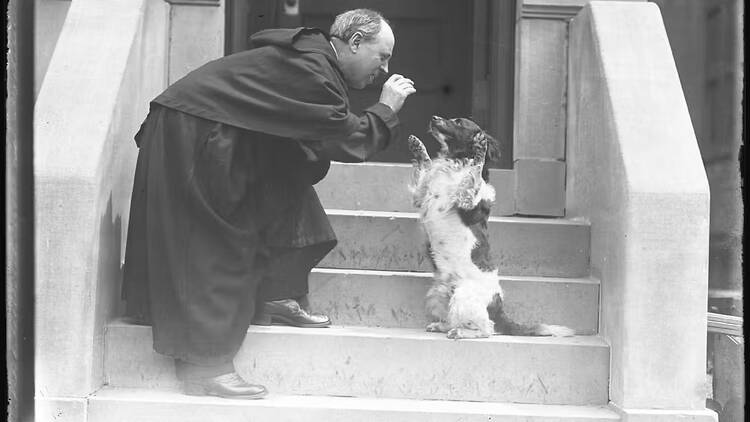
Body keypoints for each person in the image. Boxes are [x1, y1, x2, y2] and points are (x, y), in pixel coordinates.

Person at [121, 9, 415, 399]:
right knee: (210, 241)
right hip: (190, 133)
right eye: (383, 56)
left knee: (286, 179)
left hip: (205, 129)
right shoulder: (312, 69)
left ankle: (276, 292)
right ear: (356, 42)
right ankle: (204, 367)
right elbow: (346, 139)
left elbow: (309, 140)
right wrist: (386, 108)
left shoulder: (315, 64)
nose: (384, 68)